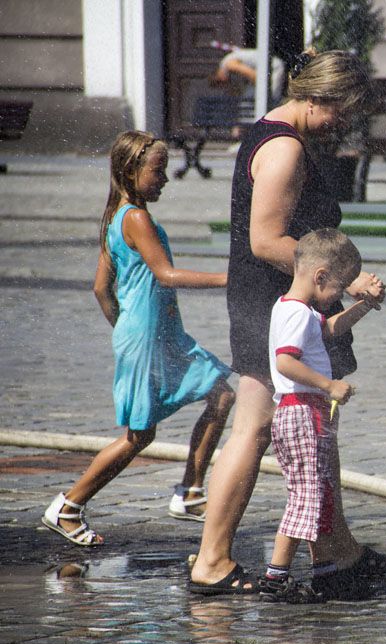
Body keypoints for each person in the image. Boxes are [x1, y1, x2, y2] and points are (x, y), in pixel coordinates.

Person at [188, 50, 386, 596]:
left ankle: (336, 550)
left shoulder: (279, 134)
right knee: (253, 428)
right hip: (275, 303)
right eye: (342, 111)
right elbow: (265, 239)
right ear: (320, 97)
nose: (343, 123)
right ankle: (211, 560)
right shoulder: (283, 149)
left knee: (314, 426)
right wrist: (341, 279)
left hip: (285, 299)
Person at [42, 131, 235, 546]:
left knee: (221, 395)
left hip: (154, 335)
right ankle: (69, 506)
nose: (165, 179)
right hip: (150, 338)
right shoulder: (136, 218)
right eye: (158, 170)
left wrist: (126, 329)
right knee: (139, 435)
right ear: (132, 171)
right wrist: (229, 278)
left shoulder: (116, 217)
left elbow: (100, 289)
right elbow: (165, 274)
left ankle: (191, 492)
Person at [259, 229, 384, 603]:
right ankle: (276, 578)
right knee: (306, 497)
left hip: (303, 413)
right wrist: (329, 386)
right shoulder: (296, 313)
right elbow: (285, 361)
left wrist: (365, 306)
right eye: (341, 288)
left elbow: (328, 329)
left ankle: (325, 573)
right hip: (302, 411)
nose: (341, 295)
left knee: (320, 494)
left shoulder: (294, 309)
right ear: (320, 276)